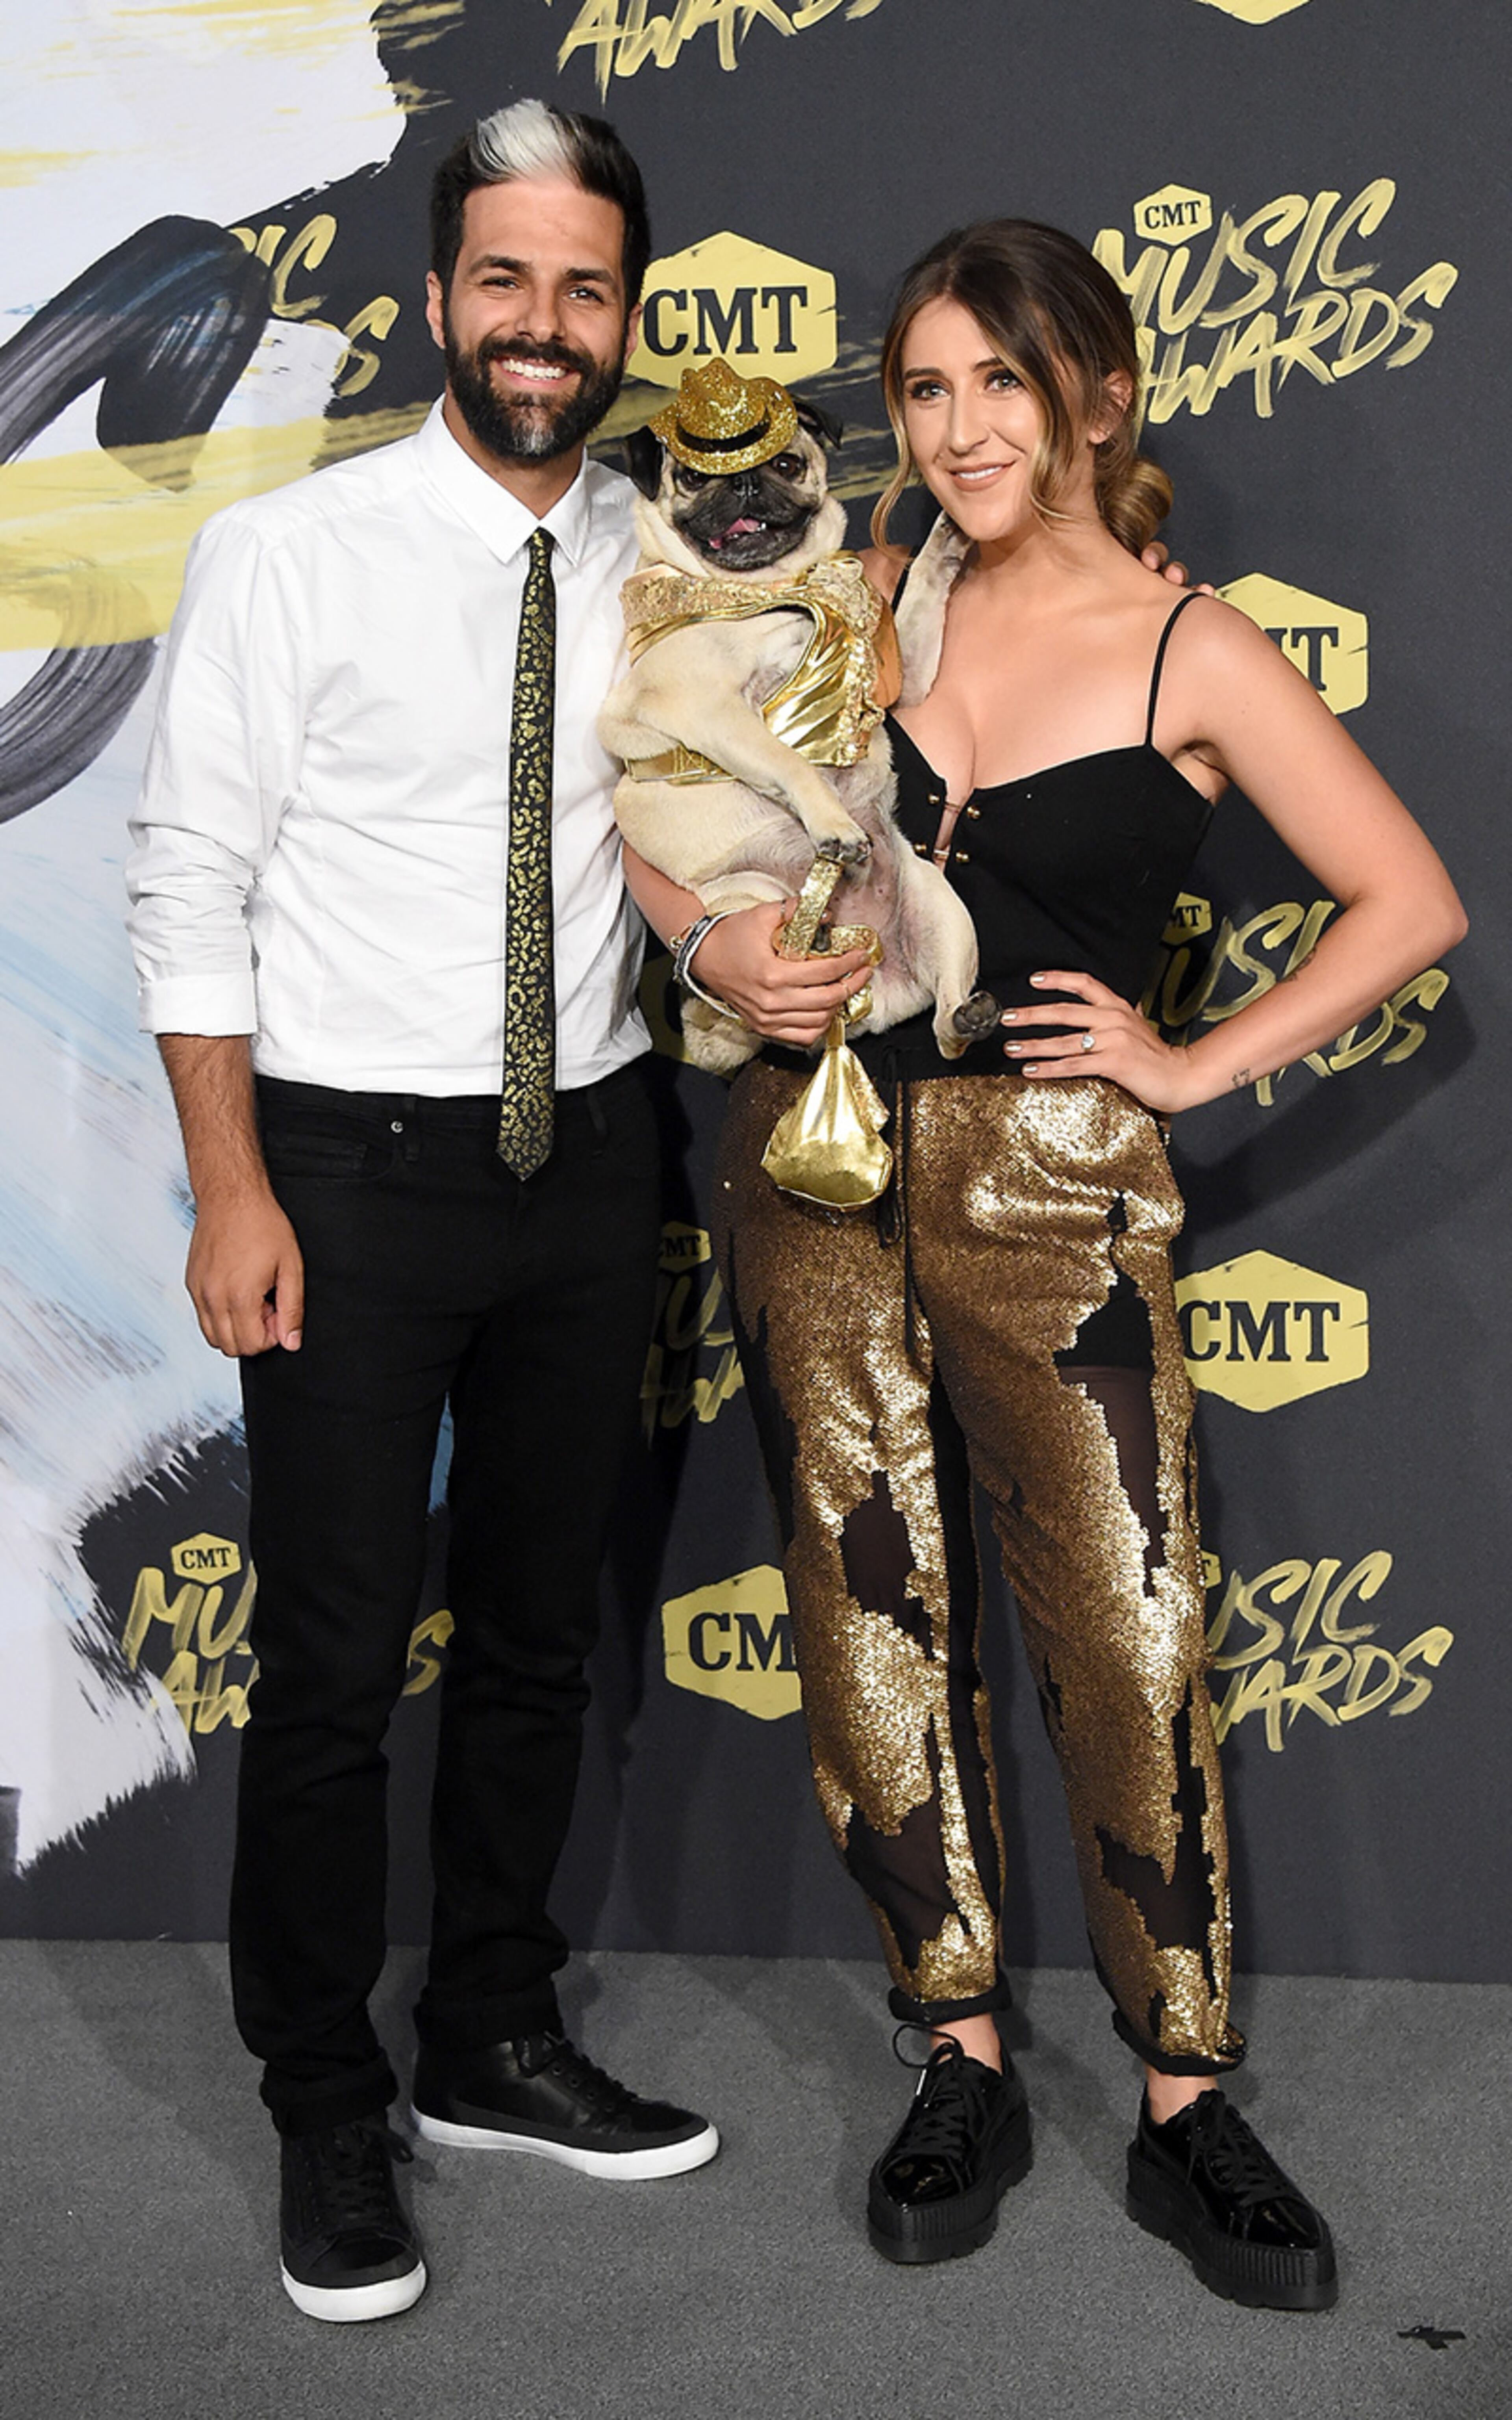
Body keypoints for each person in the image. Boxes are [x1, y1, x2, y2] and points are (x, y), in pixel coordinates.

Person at [623, 219, 1465, 2307]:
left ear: (1096, 393)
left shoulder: (1199, 651)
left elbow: (1408, 900)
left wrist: (1186, 1059)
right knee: (862, 1598)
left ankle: (1186, 2096)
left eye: (999, 380)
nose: (960, 425)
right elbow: (654, 780)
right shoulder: (862, 590)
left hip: (1055, 1176)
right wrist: (705, 937)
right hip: (809, 1157)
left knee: (1126, 1617)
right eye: (923, 388)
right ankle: (961, 2047)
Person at [125, 99, 720, 2326]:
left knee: (549, 1639)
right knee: (338, 1664)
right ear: (442, 296)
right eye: (505, 281)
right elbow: (187, 874)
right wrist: (229, 1188)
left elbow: (696, 842)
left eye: (583, 288)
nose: (542, 326)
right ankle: (321, 2102)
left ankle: (487, 2031)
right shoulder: (296, 553)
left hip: (595, 1164)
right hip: (349, 1179)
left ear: (629, 315)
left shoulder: (673, 558)